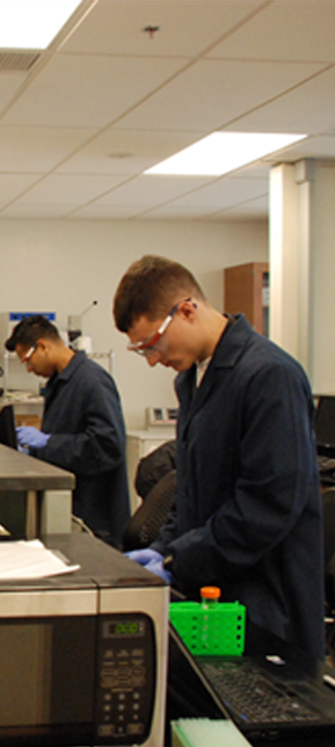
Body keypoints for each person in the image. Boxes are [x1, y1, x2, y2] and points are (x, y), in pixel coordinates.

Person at [113, 254, 325, 659]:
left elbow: (267, 506)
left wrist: (178, 559)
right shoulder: (191, 379)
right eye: (142, 350)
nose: (153, 358)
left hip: (265, 605)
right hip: (213, 591)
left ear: (187, 310)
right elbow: (192, 489)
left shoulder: (269, 375)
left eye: (153, 343)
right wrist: (163, 547)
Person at [5, 314, 130, 547]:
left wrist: (48, 443)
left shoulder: (91, 380)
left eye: (27, 361)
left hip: (94, 518)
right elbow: (69, 432)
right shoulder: (60, 382)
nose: (29, 369)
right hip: (69, 505)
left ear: (43, 346)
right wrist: (37, 449)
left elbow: (107, 447)